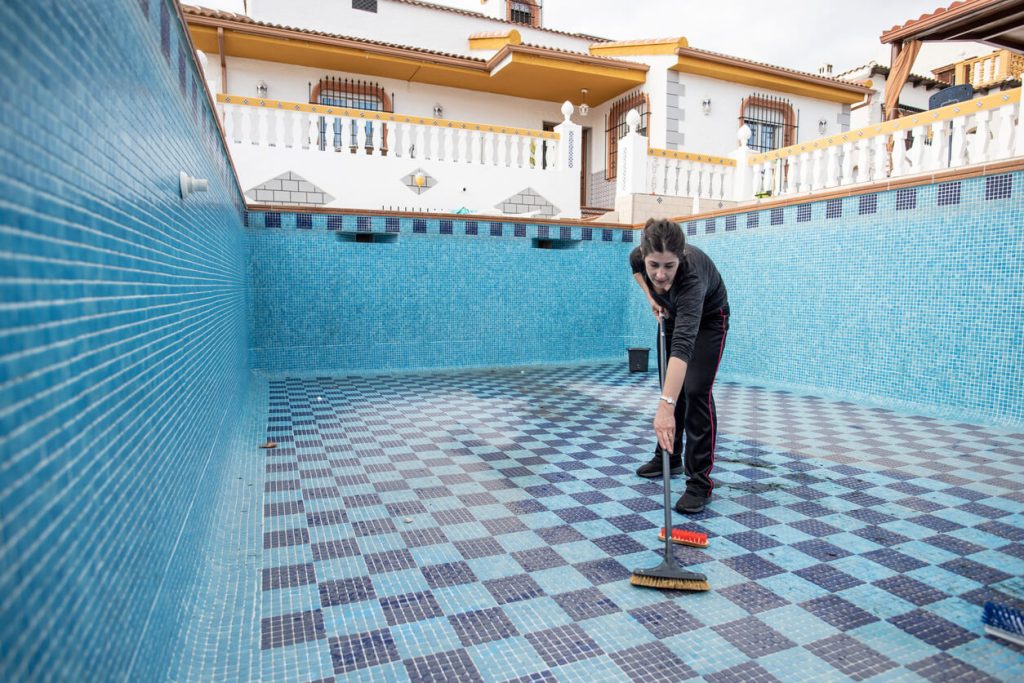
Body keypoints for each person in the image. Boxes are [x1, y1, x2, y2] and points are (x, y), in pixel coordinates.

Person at [628, 219, 729, 514]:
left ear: (681, 257)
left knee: (695, 390)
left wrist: (665, 408)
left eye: (669, 266)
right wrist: (651, 297)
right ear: (645, 255)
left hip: (710, 320)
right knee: (670, 388)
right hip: (671, 314)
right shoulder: (638, 256)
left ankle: (699, 483)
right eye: (654, 265)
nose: (660, 274)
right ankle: (668, 457)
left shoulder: (692, 279)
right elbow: (635, 268)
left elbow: (684, 347)